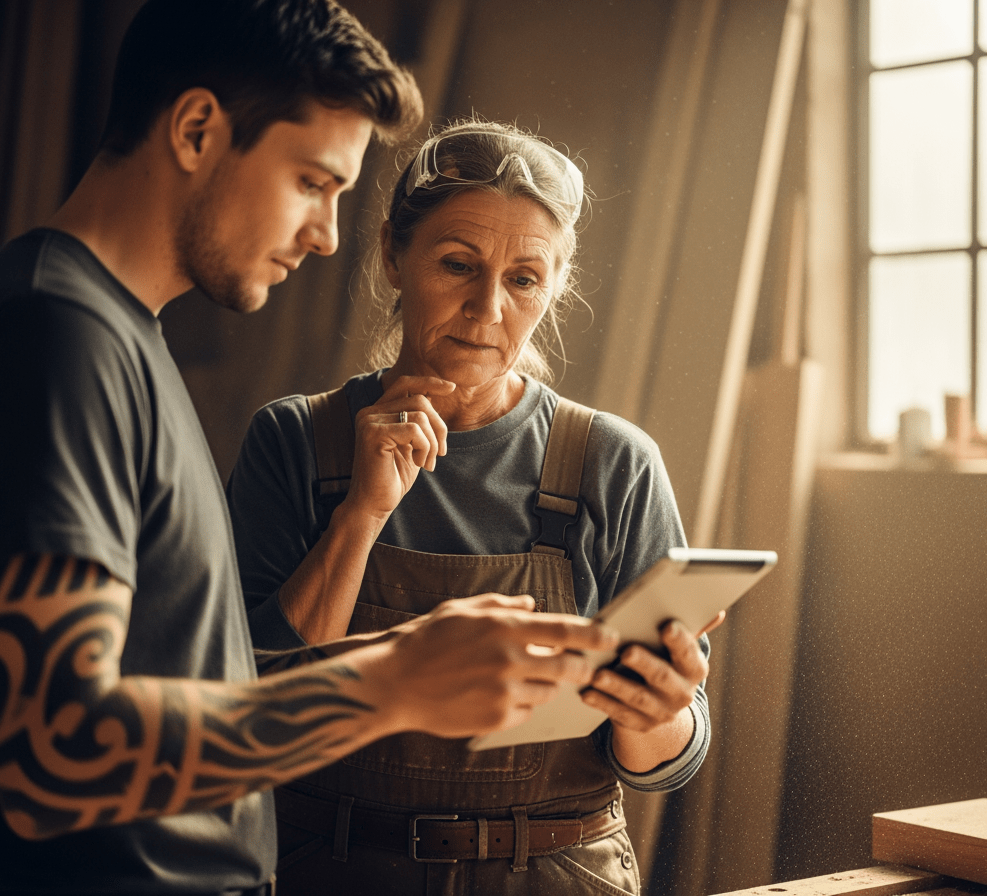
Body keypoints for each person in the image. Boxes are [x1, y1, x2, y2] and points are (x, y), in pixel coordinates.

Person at [0, 4, 620, 895]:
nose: (329, 234)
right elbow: (55, 755)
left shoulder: (116, 341)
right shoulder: (48, 344)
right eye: (312, 181)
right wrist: (390, 684)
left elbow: (175, 684)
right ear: (196, 130)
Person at [227, 119, 715, 895]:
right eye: (458, 265)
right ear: (392, 254)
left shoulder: (612, 464)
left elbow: (667, 763)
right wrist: (361, 512)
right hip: (331, 869)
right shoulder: (296, 440)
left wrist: (655, 710)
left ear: (554, 286)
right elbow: (243, 708)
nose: (488, 307)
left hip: (557, 872)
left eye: (524, 279)